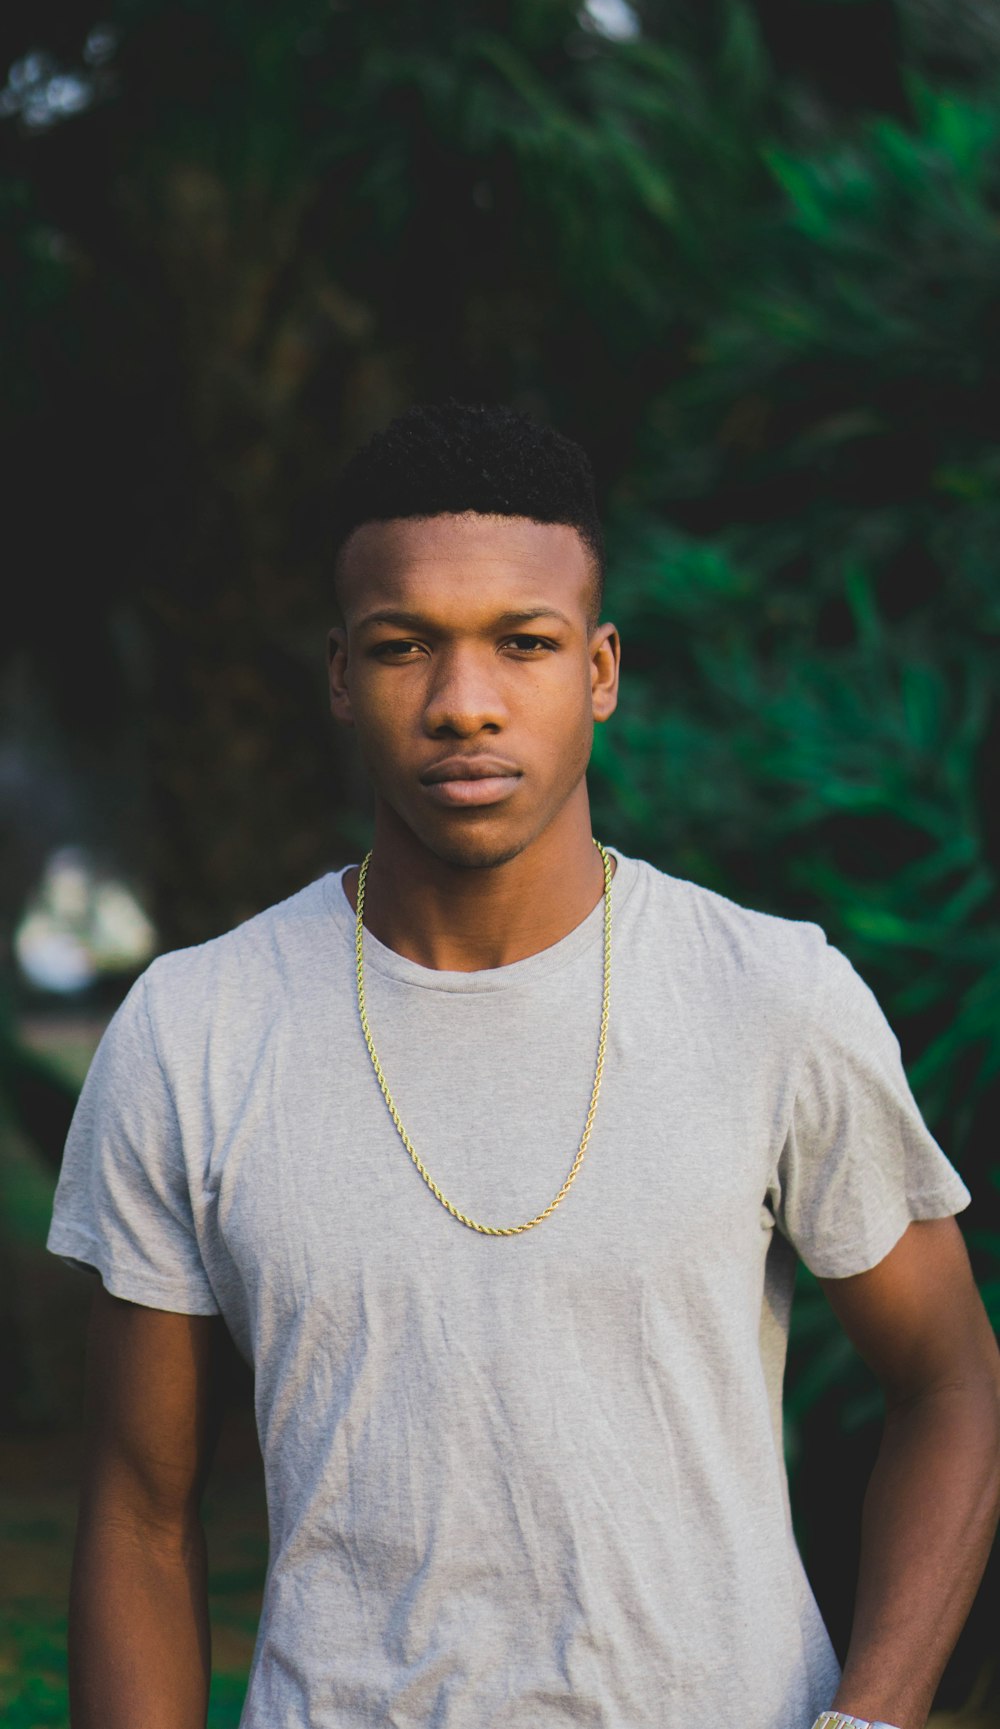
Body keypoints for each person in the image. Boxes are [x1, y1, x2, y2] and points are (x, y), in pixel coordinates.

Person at [49, 400, 1000, 1729]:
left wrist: (873, 1718)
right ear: (339, 674)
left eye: (523, 642)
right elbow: (141, 1506)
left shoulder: (770, 997)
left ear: (599, 670)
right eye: (403, 648)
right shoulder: (194, 1028)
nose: (463, 702)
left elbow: (951, 1378)